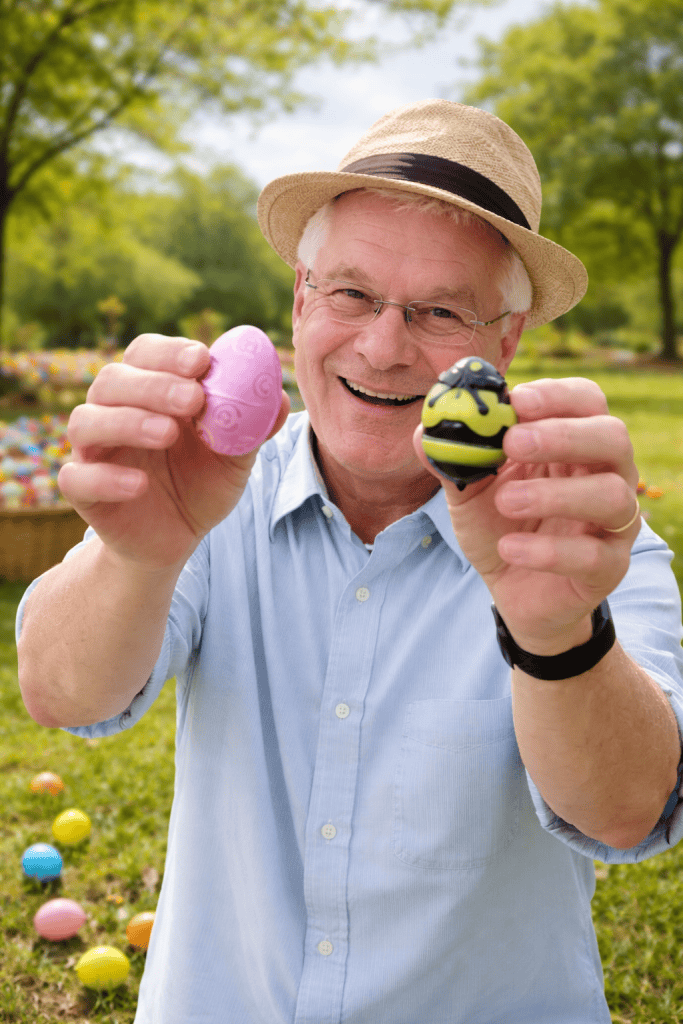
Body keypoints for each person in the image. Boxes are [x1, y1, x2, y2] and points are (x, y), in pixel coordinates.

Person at [16, 100, 683, 1023]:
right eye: (351, 294)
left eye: (440, 310)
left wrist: (556, 634)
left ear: (505, 342)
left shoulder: (582, 554)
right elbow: (61, 692)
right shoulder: (215, 486)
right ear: (299, 298)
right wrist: (137, 555)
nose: (382, 345)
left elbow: (625, 812)